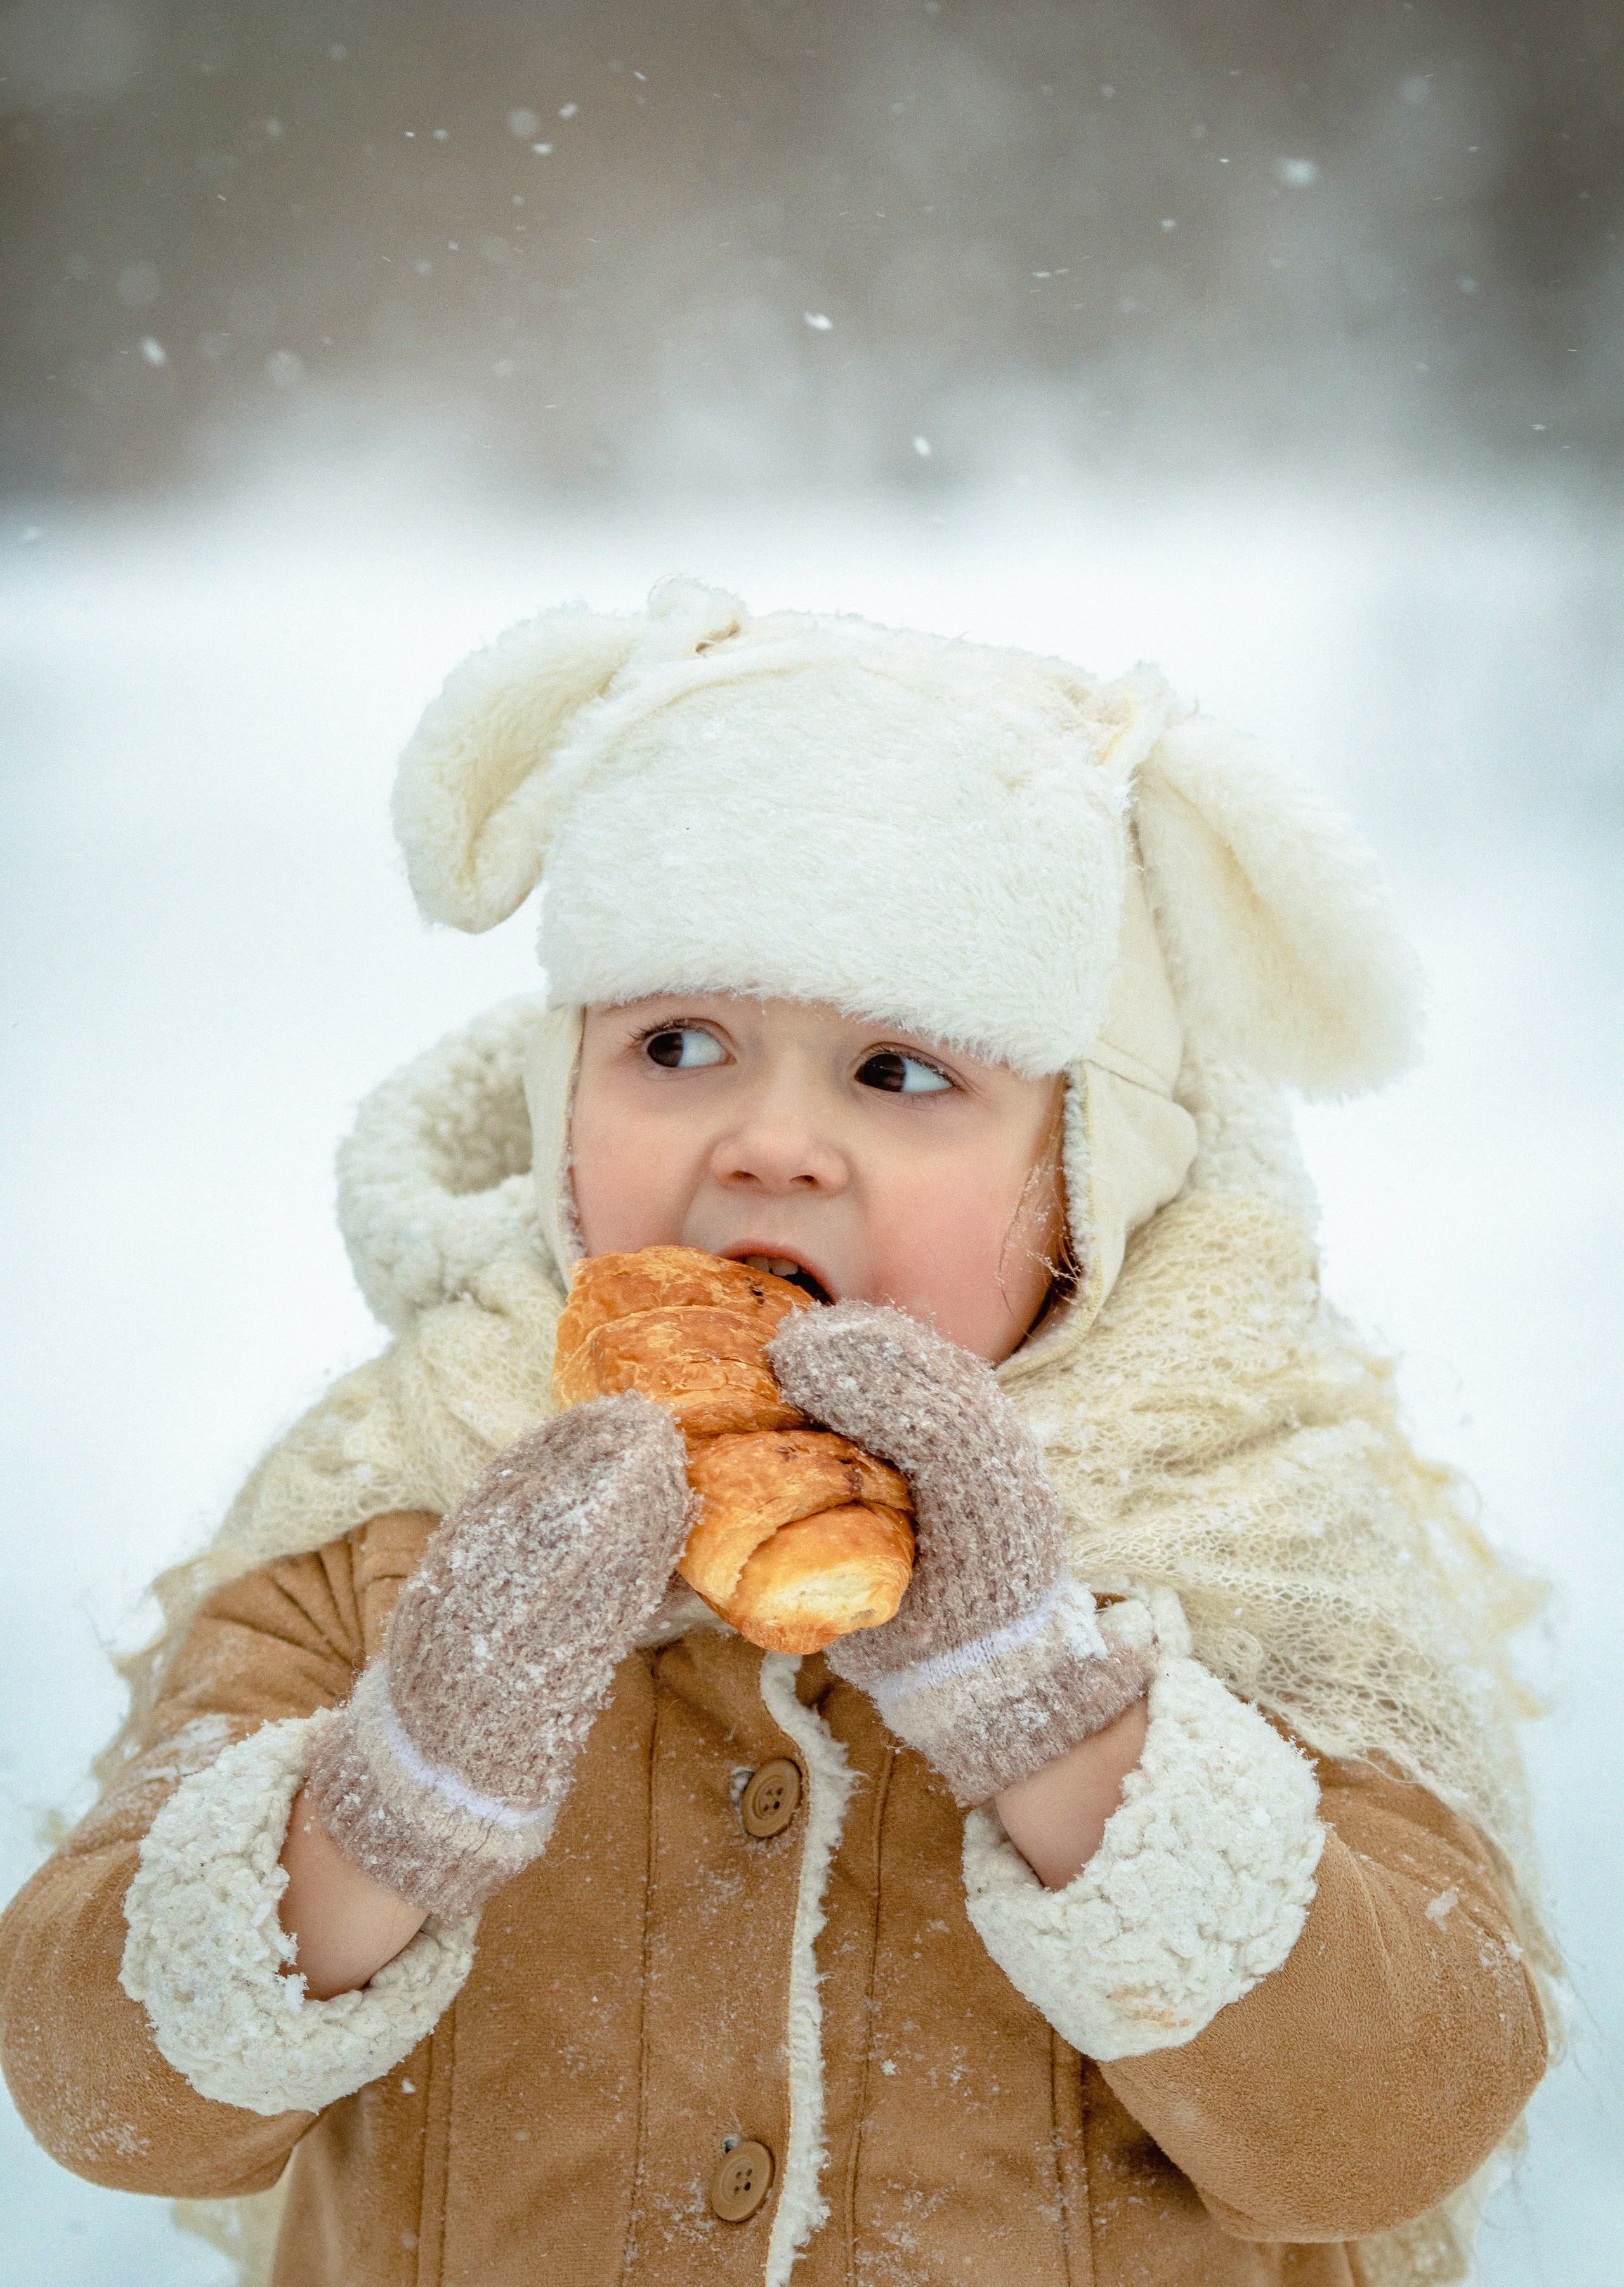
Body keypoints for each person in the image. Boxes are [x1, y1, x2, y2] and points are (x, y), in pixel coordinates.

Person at [0, 580, 1551, 2287]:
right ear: (559, 1101)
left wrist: (1062, 1730)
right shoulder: (396, 1526)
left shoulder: (1247, 1534)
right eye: (678, 1045)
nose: (769, 1144)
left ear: (1091, 1177)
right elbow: (101, 2096)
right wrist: (380, 1817)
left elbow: (1399, 2118)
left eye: (898, 1073)